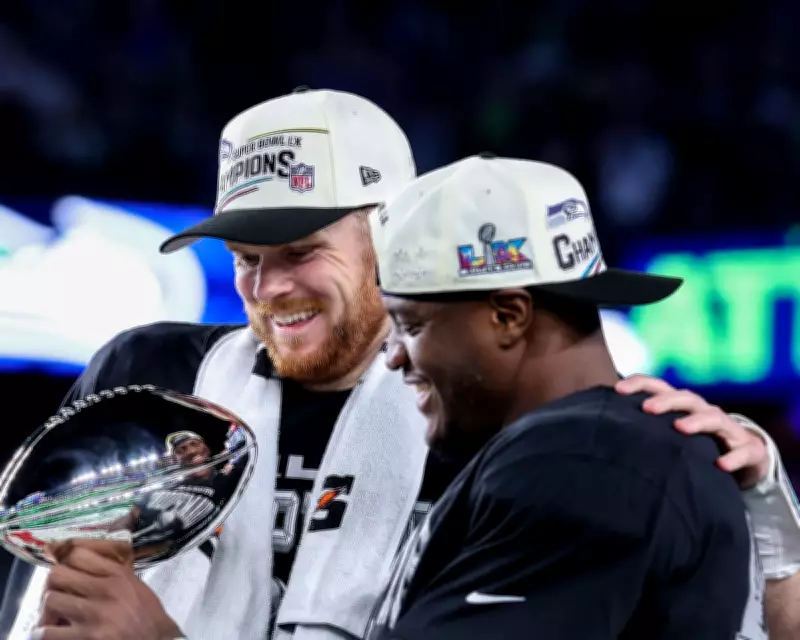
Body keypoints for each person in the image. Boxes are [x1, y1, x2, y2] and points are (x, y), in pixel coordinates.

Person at [0, 89, 796, 640]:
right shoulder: (152, 373)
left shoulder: (492, 414)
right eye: (245, 258)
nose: (268, 289)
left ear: (393, 229)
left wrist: (765, 503)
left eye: (299, 251)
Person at [361, 154, 786, 639]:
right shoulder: (603, 448)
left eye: (411, 325)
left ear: (508, 316)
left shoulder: (582, 458)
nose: (394, 356)